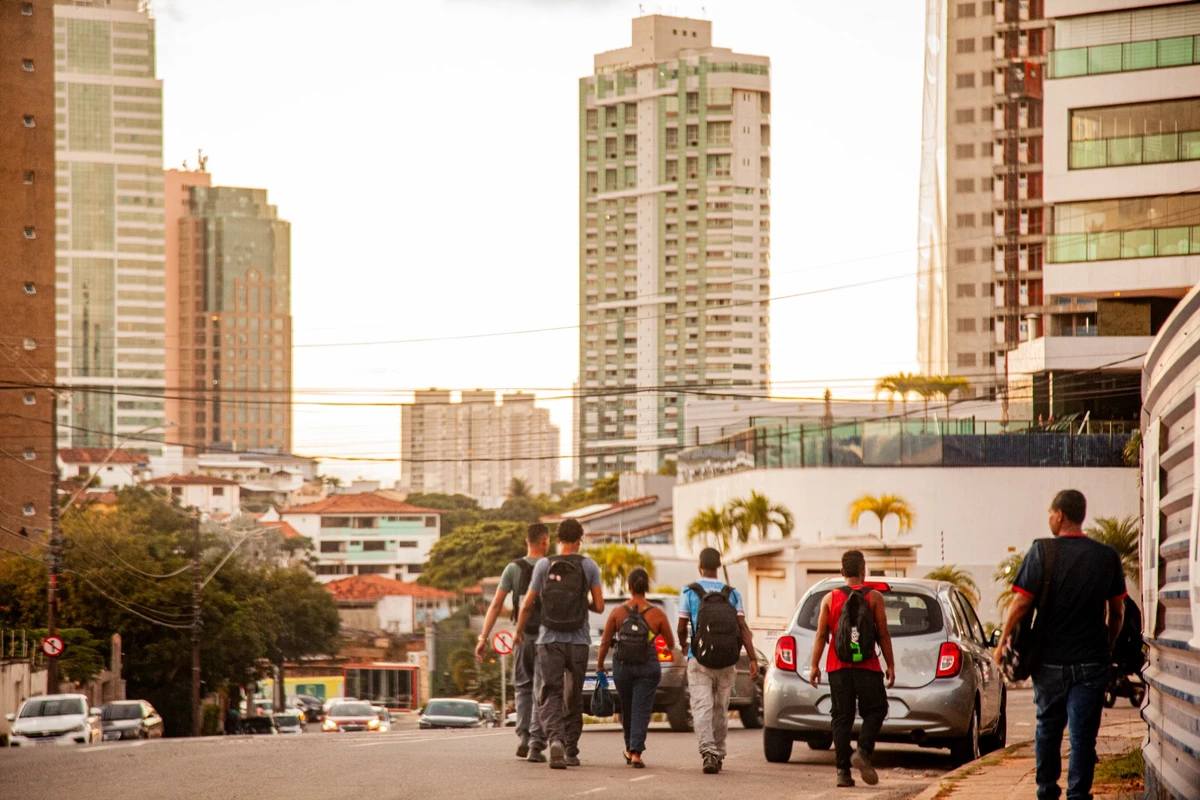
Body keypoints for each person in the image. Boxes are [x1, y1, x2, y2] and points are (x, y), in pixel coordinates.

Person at [994, 490, 1126, 800]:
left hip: (1049, 662)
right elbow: (1117, 612)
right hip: (1092, 662)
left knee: (1047, 731)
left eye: (1050, 514)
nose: (1050, 519)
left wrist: (1001, 644)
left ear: (1060, 515)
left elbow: (1021, 604)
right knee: (1083, 738)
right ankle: (1078, 794)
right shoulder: (1106, 556)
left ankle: (1047, 792)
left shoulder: (1042, 551)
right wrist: (1107, 646)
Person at [514, 518, 604, 770]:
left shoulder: (544, 565)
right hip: (578, 641)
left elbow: (527, 604)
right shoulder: (589, 566)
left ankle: (555, 741)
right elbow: (599, 606)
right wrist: (580, 603)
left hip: (549, 640)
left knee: (550, 692)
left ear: (558, 539)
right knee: (573, 694)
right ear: (580, 540)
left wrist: (519, 631)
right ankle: (572, 751)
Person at [808, 550, 896, 788]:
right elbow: (883, 634)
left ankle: (843, 773)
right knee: (877, 709)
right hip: (867, 665)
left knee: (841, 717)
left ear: (842, 572)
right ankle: (863, 751)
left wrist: (815, 665)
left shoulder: (830, 598)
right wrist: (890, 665)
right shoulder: (874, 597)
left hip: (838, 667)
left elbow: (821, 634)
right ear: (863, 571)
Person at [677, 548, 759, 775]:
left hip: (699, 660)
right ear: (719, 567)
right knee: (721, 708)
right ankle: (720, 751)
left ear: (700, 566)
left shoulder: (689, 591)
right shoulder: (732, 594)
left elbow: (682, 626)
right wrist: (752, 658)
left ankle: (709, 753)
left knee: (702, 707)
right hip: (727, 661)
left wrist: (685, 645)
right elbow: (742, 628)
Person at [476, 522, 549, 762]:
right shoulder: (550, 566)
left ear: (526, 541)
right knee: (542, 690)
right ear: (545, 541)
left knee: (523, 687)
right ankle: (537, 743)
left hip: (521, 636)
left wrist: (483, 637)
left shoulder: (512, 569)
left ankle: (524, 737)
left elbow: (496, 605)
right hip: (547, 637)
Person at [596, 567, 675, 769]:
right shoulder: (657, 614)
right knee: (641, 708)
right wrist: (666, 648)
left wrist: (600, 666)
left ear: (629, 587)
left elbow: (604, 642)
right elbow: (670, 642)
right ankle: (636, 752)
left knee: (628, 706)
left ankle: (630, 749)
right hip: (648, 665)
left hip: (622, 666)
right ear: (646, 587)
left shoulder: (617, 612)